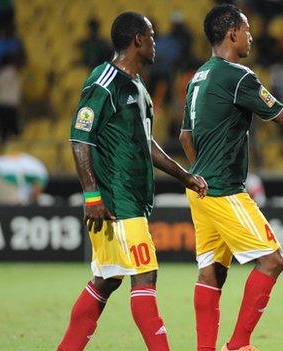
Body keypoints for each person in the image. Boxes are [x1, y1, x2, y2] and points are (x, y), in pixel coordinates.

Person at [178, 4, 283, 351]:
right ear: (232, 33)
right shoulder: (237, 76)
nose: (251, 36)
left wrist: (200, 171)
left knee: (211, 272)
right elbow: (279, 115)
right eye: (247, 30)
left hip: (199, 186)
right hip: (222, 187)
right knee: (272, 260)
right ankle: (238, 345)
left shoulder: (199, 76)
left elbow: (185, 137)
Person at [58, 12, 208, 351]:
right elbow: (80, 136)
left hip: (130, 201)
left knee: (106, 280)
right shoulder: (105, 80)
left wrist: (185, 176)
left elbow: (147, 144)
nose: (156, 43)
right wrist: (92, 196)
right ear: (137, 40)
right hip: (118, 201)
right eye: (152, 36)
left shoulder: (139, 88)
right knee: (145, 276)